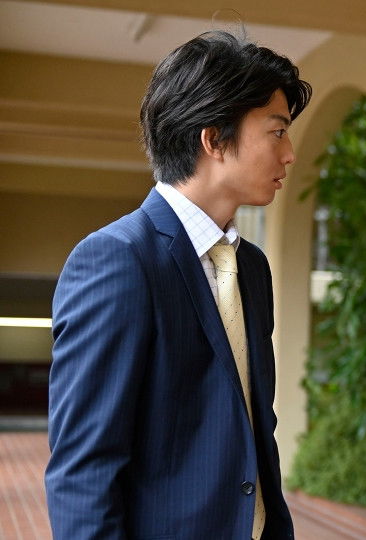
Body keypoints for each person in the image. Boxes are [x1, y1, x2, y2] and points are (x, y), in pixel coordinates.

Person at [46, 30, 311, 539]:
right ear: (214, 140)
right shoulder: (118, 259)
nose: (290, 154)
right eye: (277, 132)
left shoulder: (251, 267)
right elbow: (83, 469)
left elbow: (253, 424)